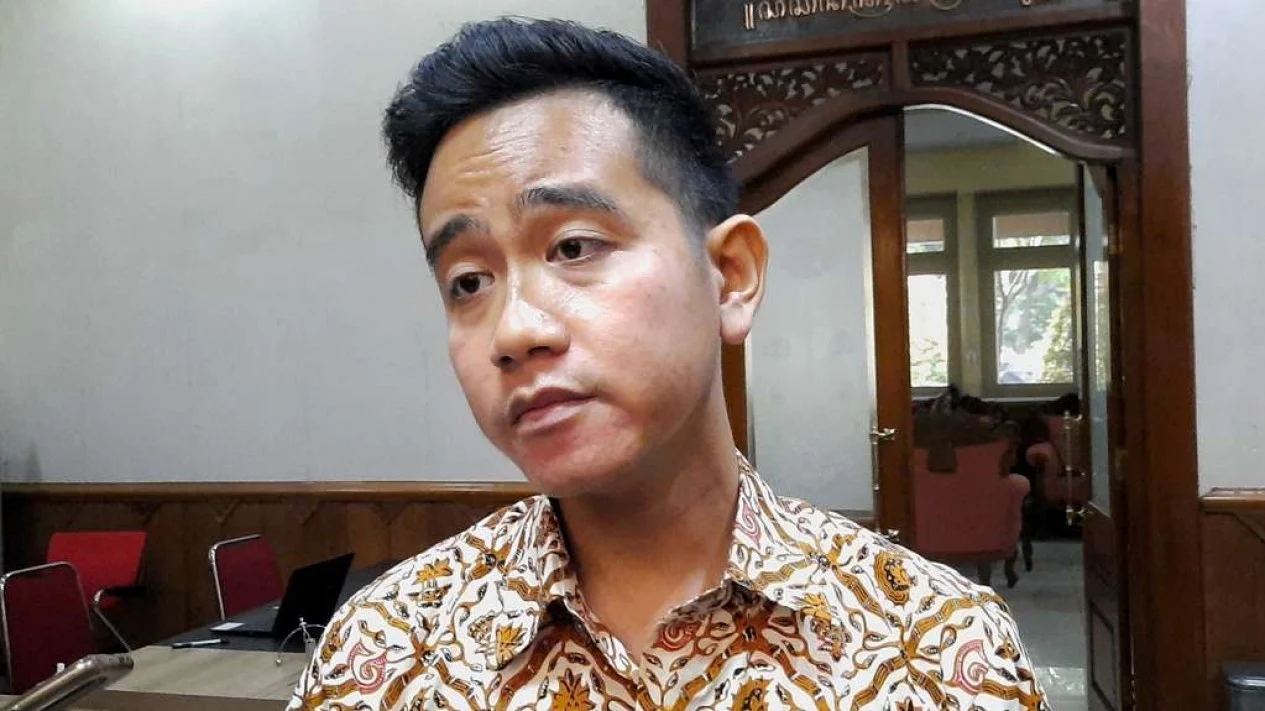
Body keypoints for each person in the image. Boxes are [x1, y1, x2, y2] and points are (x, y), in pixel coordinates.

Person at [289, 18, 1048, 710]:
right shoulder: (384, 653)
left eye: (573, 246)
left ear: (731, 275)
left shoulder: (940, 647)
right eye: (468, 282)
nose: (513, 330)